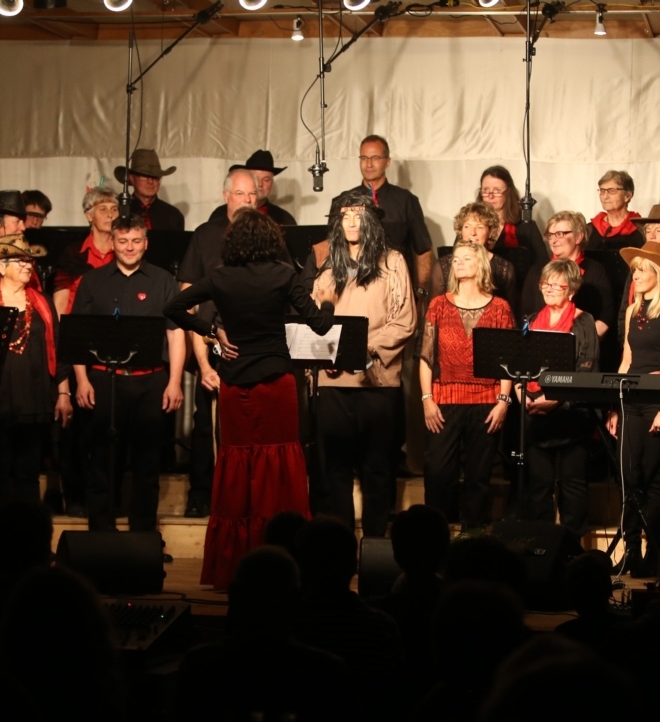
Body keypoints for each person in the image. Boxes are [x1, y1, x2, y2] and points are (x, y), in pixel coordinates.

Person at [166, 208, 334, 588]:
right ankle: (283, 559)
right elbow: (321, 326)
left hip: (235, 385)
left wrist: (212, 332)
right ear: (271, 240)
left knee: (238, 466)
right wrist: (326, 301)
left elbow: (172, 307)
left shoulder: (220, 277)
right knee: (279, 462)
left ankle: (235, 565)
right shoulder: (284, 274)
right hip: (276, 385)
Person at [312, 190, 416, 538]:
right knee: (336, 470)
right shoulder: (328, 267)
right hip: (333, 383)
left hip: (376, 382)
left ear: (371, 221)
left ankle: (373, 544)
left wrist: (366, 347)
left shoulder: (392, 262)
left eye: (359, 215)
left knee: (377, 468)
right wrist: (325, 354)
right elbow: (316, 320)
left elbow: (405, 321)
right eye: (346, 216)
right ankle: (340, 541)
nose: (352, 222)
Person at [71, 215, 185, 534]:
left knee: (147, 464)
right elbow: (78, 335)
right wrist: (81, 380)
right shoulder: (92, 281)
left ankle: (143, 538)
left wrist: (175, 382)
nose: (129, 247)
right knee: (103, 461)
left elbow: (176, 334)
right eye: (123, 241)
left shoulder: (164, 280)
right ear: (113, 243)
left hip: (151, 381)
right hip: (103, 380)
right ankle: (101, 535)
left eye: (136, 241)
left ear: (145, 243)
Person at [0, 233, 73, 532]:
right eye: (20, 260)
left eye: (30, 261)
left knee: (28, 475)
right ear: (1, 267)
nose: (28, 265)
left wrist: (64, 393)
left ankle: (30, 540)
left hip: (35, 399)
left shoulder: (42, 302)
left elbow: (58, 350)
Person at [177, 169, 261, 518]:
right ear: (226, 196)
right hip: (210, 346)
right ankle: (202, 495)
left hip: (255, 349)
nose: (247, 200)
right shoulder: (205, 235)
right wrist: (202, 363)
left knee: (252, 426)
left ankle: (249, 498)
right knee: (205, 425)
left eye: (252, 194)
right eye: (240, 194)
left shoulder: (268, 236)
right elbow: (187, 300)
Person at [419, 240, 514, 531]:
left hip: (486, 402)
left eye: (466, 258)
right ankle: (435, 535)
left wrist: (503, 401)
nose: (458, 263)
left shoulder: (500, 308)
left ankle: (471, 539)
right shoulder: (438, 305)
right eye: (456, 259)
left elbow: (507, 361)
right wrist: (426, 399)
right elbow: (426, 357)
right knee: (438, 472)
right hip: (444, 401)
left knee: (478, 477)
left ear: (481, 265)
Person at [606, 242, 660, 577]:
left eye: (642, 269)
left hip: (659, 401)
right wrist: (615, 408)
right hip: (632, 401)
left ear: (658, 274)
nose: (635, 275)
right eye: (634, 269)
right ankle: (630, 551)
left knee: (655, 477)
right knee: (630, 478)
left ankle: (653, 550)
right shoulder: (632, 311)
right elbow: (627, 359)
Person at [521, 258, 600, 536]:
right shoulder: (531, 321)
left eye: (557, 285)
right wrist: (524, 396)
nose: (549, 288)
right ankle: (540, 546)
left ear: (572, 290)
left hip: (570, 414)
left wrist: (554, 399)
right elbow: (519, 365)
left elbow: (586, 369)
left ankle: (572, 547)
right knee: (538, 487)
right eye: (546, 283)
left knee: (572, 486)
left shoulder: (584, 321)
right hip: (535, 414)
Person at [333, 135, 433, 292]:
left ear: (387, 161)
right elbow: (332, 247)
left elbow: (423, 250)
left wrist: (420, 291)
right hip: (352, 287)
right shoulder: (343, 201)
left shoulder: (406, 200)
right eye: (364, 158)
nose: (369, 164)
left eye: (375, 158)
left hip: (396, 287)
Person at [520, 211, 615, 340]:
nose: (553, 241)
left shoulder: (594, 270)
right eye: (550, 235)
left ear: (578, 237)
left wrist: (584, 342)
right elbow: (526, 313)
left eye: (560, 234)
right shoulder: (537, 270)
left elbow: (606, 316)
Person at [428, 201, 517, 321]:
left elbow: (510, 316)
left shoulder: (505, 268)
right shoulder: (442, 265)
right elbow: (433, 313)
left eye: (480, 227)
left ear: (490, 232)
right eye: (467, 226)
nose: (473, 233)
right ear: (461, 231)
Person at [54, 187, 119, 316]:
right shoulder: (74, 253)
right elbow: (61, 302)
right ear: (89, 216)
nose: (110, 215)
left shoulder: (124, 252)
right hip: (77, 323)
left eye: (114, 209)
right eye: (103, 209)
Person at [208, 150, 297, 226]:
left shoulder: (284, 219)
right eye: (255, 178)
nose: (260, 184)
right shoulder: (219, 214)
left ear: (272, 183)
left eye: (266, 180)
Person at [114, 148, 184, 231]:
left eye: (155, 177)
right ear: (132, 178)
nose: (150, 181)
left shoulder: (173, 215)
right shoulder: (119, 212)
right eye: (144, 176)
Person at [586, 169, 644, 252]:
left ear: (627, 196)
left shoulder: (641, 229)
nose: (605, 196)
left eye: (612, 191)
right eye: (602, 191)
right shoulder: (589, 230)